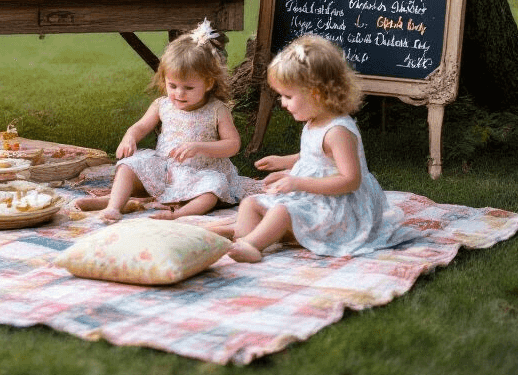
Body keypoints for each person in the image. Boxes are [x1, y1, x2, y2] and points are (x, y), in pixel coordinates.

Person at [222, 34, 414, 263]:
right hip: (314, 197)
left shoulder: (338, 132)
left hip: (338, 209)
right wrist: (285, 162)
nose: (282, 103)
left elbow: (350, 180)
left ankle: (253, 245)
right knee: (251, 203)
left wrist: (296, 182)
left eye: (287, 96)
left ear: (316, 94)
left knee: (282, 211)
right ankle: (241, 237)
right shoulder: (314, 120)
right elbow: (315, 157)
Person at [75, 20, 247, 221]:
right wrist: (129, 137)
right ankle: (114, 205)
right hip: (164, 168)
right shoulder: (162, 105)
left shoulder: (217, 110)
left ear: (208, 83)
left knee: (213, 189)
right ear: (164, 78)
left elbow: (233, 145)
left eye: (188, 88)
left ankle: (177, 213)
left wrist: (200, 147)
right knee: (128, 166)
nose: (179, 93)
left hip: (201, 173)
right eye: (172, 85)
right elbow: (140, 127)